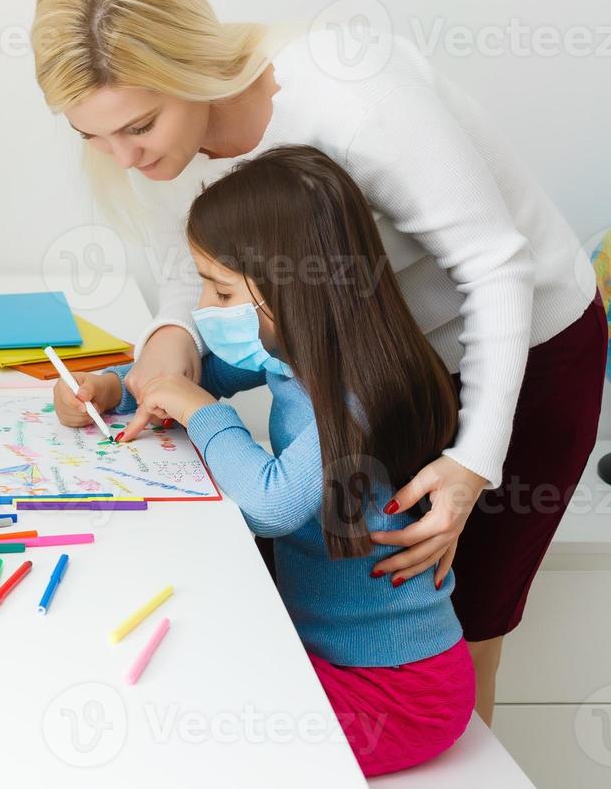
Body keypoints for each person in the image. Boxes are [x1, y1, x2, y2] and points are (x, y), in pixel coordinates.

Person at [32, 0, 608, 723]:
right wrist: (162, 361)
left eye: (138, 127)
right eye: (93, 138)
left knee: (462, 623)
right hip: (389, 361)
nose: (124, 157)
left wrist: (474, 462)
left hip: (523, 348)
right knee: (373, 603)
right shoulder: (171, 149)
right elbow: (195, 270)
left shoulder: (352, 93)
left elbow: (495, 267)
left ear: (191, 67)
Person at [55, 146, 474, 775]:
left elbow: (273, 505)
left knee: (177, 733)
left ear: (296, 285)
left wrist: (199, 410)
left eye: (220, 289)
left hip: (395, 691)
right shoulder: (299, 351)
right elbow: (205, 373)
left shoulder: (359, 394)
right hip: (324, 651)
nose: (204, 306)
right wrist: (116, 386)